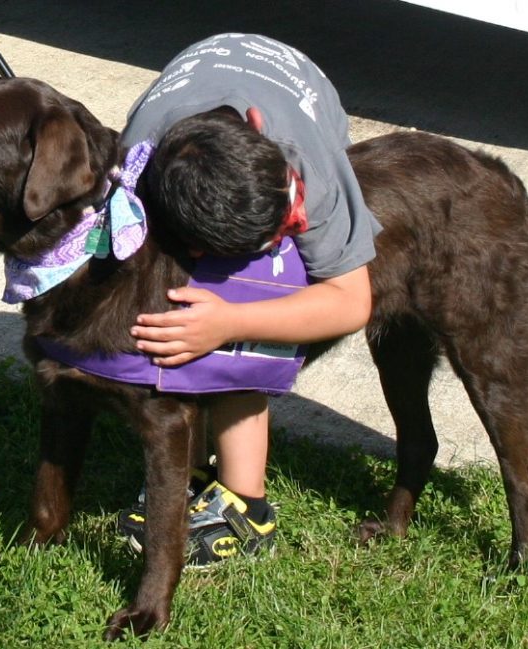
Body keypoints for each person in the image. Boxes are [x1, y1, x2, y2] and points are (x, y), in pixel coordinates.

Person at [116, 33, 382, 567]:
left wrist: (233, 320)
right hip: (192, 81)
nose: (285, 232)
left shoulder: (310, 166)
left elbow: (352, 302)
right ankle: (186, 474)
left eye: (283, 224)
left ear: (260, 132)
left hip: (299, 82)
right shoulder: (135, 170)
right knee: (176, 306)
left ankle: (249, 506)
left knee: (251, 318)